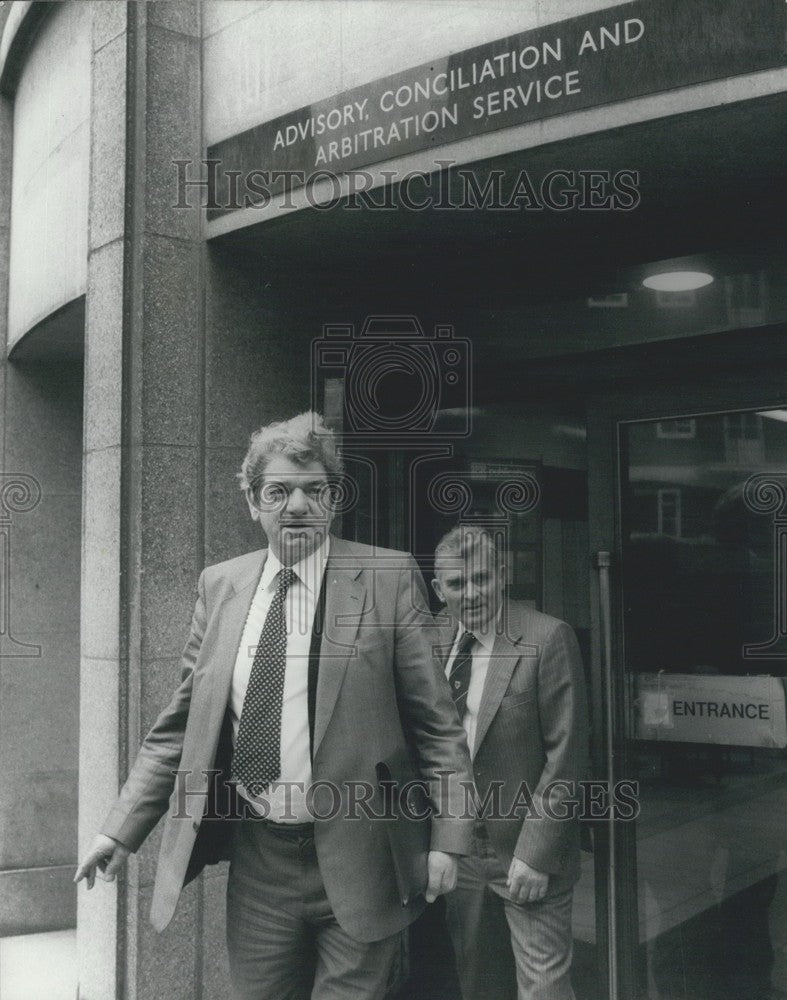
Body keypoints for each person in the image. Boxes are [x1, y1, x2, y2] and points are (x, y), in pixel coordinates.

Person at [75, 411, 474, 1000]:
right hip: (260, 862)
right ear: (252, 502)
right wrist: (118, 831)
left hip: (364, 855)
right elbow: (178, 727)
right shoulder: (222, 586)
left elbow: (437, 725)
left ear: (334, 499)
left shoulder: (387, 577)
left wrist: (448, 838)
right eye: (278, 491)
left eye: (315, 490)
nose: (297, 506)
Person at [431, 525, 589, 1000]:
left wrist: (535, 853)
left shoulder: (547, 637)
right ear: (440, 590)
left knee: (543, 987)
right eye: (457, 584)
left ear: (503, 575)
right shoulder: (426, 638)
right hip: (459, 846)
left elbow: (567, 757)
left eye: (482, 578)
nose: (472, 593)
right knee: (478, 982)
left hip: (526, 847)